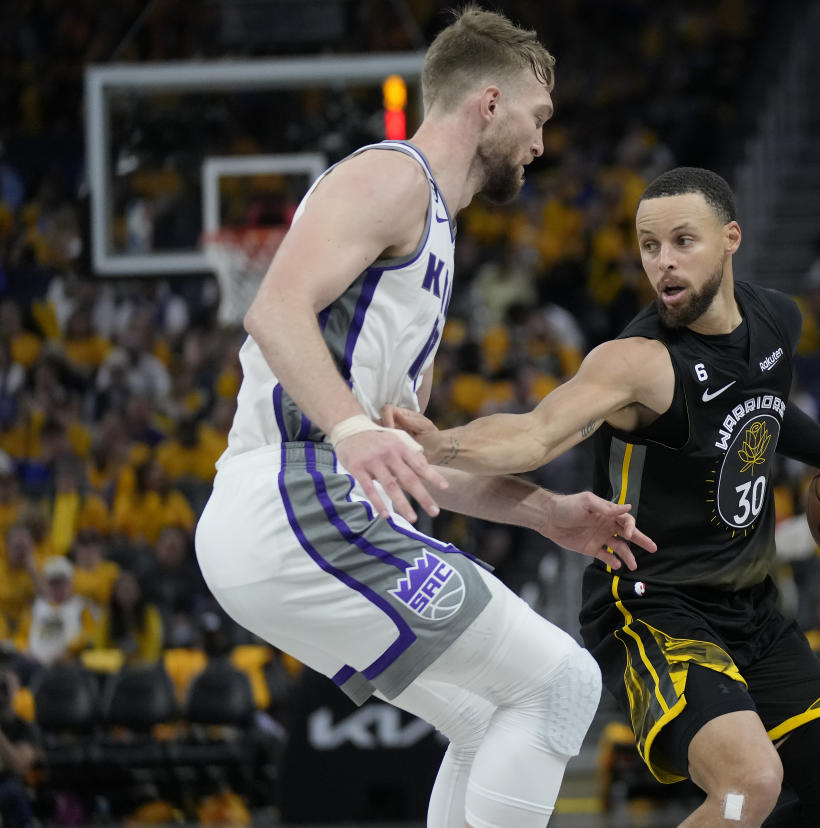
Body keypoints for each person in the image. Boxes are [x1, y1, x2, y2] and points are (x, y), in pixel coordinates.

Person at [194, 8, 655, 828]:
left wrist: (547, 512)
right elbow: (273, 309)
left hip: (296, 518)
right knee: (563, 684)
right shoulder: (391, 176)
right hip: (292, 500)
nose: (541, 144)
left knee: (485, 719)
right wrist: (348, 427)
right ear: (488, 102)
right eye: (537, 118)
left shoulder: (433, 246)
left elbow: (414, 465)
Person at [388, 167, 820, 827]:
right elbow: (537, 435)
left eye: (683, 241)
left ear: (730, 239)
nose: (664, 261)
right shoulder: (638, 362)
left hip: (752, 612)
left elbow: (766, 410)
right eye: (649, 245)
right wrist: (440, 444)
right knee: (746, 786)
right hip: (656, 611)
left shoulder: (776, 322)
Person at [0, 657, 38, 828]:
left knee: (13, 791)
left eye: (6, 686)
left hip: (9, 787)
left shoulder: (25, 727)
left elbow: (19, 766)